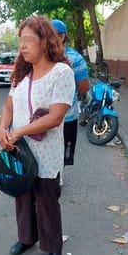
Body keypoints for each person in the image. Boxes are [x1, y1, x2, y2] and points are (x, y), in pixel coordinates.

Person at [0, 15, 75, 255]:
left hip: (47, 152)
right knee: (22, 196)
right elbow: (8, 106)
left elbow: (55, 117)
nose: (23, 46)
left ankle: (53, 247)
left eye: (29, 40)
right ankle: (26, 238)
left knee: (46, 200)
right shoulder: (21, 75)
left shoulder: (61, 72)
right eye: (21, 41)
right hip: (20, 150)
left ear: (45, 42)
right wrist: (1, 128)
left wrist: (18, 132)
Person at [51, 19, 89, 173]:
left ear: (61, 37)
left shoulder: (75, 58)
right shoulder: (41, 56)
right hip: (42, 116)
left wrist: (71, 101)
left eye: (50, 34)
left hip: (67, 117)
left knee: (63, 151)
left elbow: (83, 85)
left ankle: (58, 176)